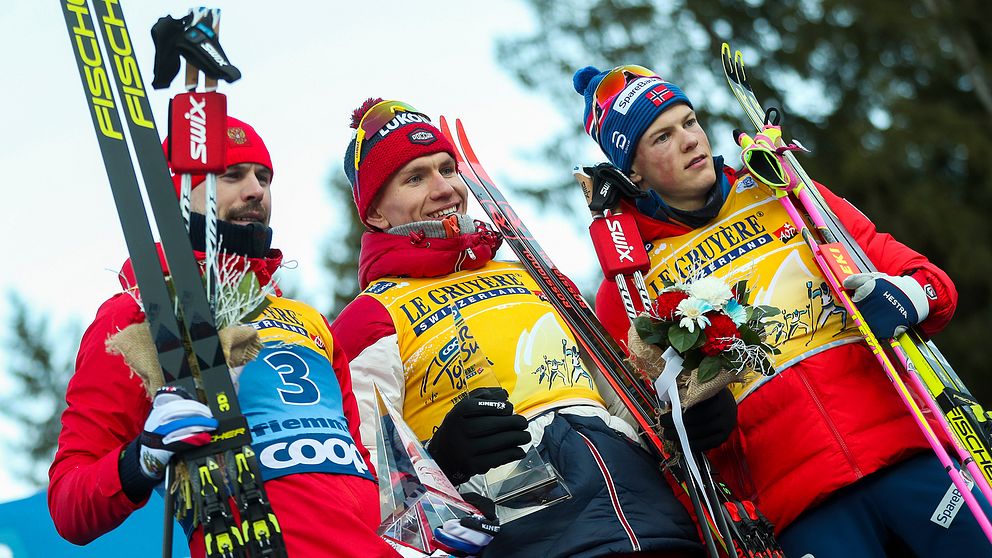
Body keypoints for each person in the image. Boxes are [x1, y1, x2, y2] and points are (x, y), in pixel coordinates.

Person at [573, 64, 991, 556]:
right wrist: (696, 428)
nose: (689, 140)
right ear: (633, 168)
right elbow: (660, 430)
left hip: (914, 450)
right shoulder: (631, 281)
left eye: (689, 121)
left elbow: (929, 281)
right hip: (801, 504)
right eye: (662, 136)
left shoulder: (785, 192)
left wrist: (906, 297)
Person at [331, 97, 720, 558]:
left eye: (448, 169)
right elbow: (369, 484)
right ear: (375, 212)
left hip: (654, 521)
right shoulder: (370, 316)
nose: (444, 189)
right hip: (534, 541)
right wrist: (441, 461)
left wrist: (685, 416)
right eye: (415, 178)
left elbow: (622, 398)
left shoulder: (534, 276)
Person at [48, 116, 399, 557]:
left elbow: (364, 469)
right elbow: (68, 504)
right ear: (178, 194)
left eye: (264, 177)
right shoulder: (135, 315)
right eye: (231, 176)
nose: (256, 190)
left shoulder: (308, 320)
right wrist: (142, 458)